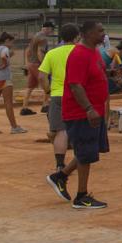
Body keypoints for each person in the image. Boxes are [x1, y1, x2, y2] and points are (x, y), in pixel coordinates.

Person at [48, 20, 110, 210]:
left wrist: (114, 73)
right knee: (85, 153)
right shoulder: (79, 54)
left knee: (88, 150)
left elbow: (97, 74)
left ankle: (60, 176)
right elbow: (75, 85)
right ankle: (81, 196)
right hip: (81, 113)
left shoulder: (95, 52)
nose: (103, 33)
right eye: (100, 31)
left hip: (95, 110)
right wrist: (89, 109)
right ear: (88, 33)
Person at [38, 22, 81, 180]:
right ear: (77, 37)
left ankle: (60, 164)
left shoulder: (52, 53)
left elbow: (41, 76)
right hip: (78, 94)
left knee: (60, 131)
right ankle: (79, 160)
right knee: (79, 128)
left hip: (57, 95)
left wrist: (48, 91)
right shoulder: (81, 52)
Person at [0, 32, 27, 135]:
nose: (12, 44)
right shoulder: (5, 49)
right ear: (7, 40)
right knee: (8, 103)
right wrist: (4, 64)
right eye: (11, 42)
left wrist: (7, 58)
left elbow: (2, 57)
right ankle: (14, 127)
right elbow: (4, 56)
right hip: (4, 78)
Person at [21, 20, 55, 115]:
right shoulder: (43, 38)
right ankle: (45, 105)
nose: (51, 31)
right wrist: (44, 64)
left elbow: (28, 50)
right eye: (51, 29)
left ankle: (24, 108)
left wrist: (27, 64)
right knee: (47, 83)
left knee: (30, 87)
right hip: (37, 64)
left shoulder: (35, 36)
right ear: (48, 28)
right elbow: (40, 52)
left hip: (31, 64)